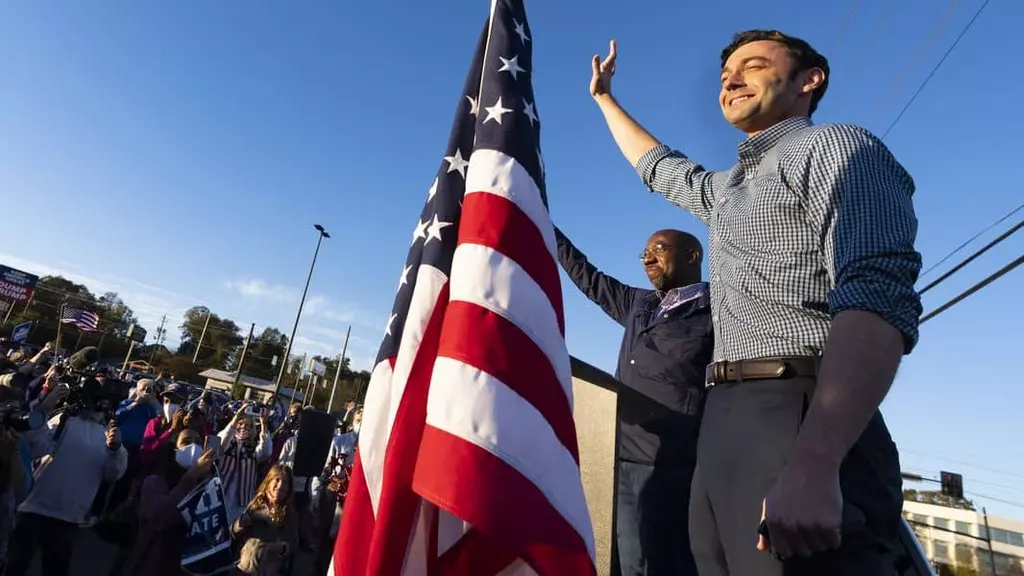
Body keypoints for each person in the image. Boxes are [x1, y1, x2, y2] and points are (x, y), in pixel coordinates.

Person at [589, 30, 922, 575]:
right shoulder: (728, 191)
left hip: (797, 410)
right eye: (725, 75)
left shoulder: (836, 146)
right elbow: (659, 166)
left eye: (754, 65)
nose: (730, 79)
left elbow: (876, 294)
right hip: (721, 420)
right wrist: (605, 99)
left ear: (808, 81)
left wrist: (816, 462)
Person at [555, 227, 711, 575]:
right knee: (628, 561)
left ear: (692, 256)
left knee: (667, 561)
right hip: (623, 453)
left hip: (672, 461)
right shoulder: (638, 303)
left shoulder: (716, 311)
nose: (648, 258)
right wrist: (543, 225)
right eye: (644, 253)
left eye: (658, 249)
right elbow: (587, 277)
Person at [233, 463, 300, 576]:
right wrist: (239, 525)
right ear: (269, 482)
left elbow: (293, 546)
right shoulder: (255, 505)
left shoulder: (290, 514)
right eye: (277, 480)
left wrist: (281, 548)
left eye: (285, 482)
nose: (280, 485)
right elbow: (234, 534)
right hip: (246, 567)